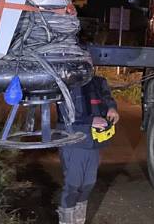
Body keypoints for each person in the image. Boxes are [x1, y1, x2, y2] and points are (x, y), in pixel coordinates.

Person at [56, 75, 119, 224]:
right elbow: (65, 112)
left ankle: (79, 220)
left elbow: (106, 96)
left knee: (88, 184)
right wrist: (91, 120)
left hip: (93, 142)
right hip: (73, 140)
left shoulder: (98, 81)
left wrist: (112, 108)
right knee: (73, 185)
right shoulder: (65, 82)